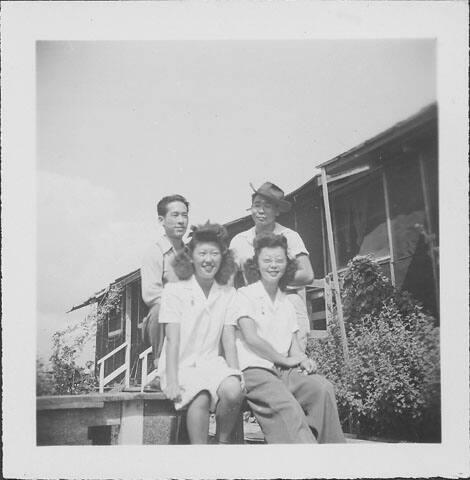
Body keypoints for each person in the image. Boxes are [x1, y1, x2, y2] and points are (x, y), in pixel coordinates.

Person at [229, 233, 345, 444]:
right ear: (256, 264)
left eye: (279, 260)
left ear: (287, 265)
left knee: (322, 388)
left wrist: (304, 359)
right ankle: (304, 463)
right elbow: (251, 338)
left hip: (283, 370)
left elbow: (294, 349)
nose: (273, 265)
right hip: (255, 370)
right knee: (289, 410)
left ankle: (334, 457)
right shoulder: (245, 295)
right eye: (267, 260)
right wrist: (284, 360)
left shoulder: (287, 302)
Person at [157, 223, 244, 444]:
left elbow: (229, 339)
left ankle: (221, 444)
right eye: (202, 253)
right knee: (202, 395)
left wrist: (236, 373)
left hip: (211, 364)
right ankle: (201, 456)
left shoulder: (228, 293)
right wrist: (173, 381)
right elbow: (172, 339)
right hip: (179, 365)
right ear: (191, 257)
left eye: (214, 253)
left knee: (234, 390)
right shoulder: (174, 291)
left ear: (222, 258)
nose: (208, 259)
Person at [229, 182, 314, 351]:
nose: (261, 211)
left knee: (293, 361)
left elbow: (307, 274)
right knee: (259, 361)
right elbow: (227, 282)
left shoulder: (289, 236)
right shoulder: (239, 241)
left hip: (288, 301)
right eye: (257, 205)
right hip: (254, 307)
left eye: (267, 206)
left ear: (277, 211)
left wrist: (270, 278)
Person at [140, 194, 190, 388]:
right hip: (162, 320)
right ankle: (161, 370)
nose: (181, 221)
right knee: (162, 308)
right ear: (161, 220)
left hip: (190, 315)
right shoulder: (154, 253)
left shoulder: (192, 254)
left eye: (184, 215)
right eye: (175, 215)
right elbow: (152, 295)